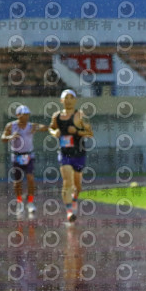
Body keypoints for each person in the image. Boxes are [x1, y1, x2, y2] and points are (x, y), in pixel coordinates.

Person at [49, 89, 93, 223]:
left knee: (77, 186)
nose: (68, 100)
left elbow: (90, 133)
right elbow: (51, 128)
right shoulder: (56, 116)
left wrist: (77, 131)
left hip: (79, 153)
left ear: (75, 100)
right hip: (64, 153)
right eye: (66, 98)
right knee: (67, 181)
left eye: (71, 97)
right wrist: (54, 132)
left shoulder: (80, 115)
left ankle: (74, 199)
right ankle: (69, 211)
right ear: (61, 100)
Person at [1, 105, 49, 214]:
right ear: (18, 115)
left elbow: (45, 127)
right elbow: (3, 137)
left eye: (27, 115)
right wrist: (10, 137)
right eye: (24, 115)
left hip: (28, 155)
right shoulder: (11, 126)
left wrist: (38, 128)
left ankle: (30, 202)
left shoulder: (31, 125)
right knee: (17, 182)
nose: (26, 117)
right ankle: (19, 202)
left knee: (30, 178)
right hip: (16, 156)